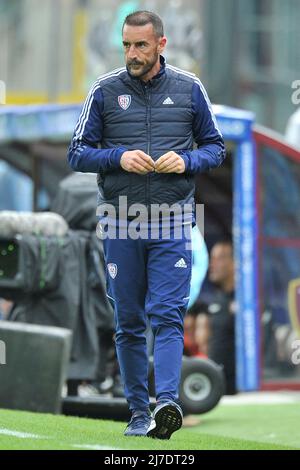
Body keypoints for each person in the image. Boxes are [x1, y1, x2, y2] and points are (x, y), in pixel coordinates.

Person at [68, 10, 225, 439]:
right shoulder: (103, 91)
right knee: (130, 322)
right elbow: (77, 152)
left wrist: (187, 159)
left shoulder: (190, 89)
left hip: (173, 221)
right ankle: (139, 413)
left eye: (140, 45)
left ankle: (167, 404)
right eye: (126, 45)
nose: (131, 54)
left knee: (168, 316)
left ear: (161, 44)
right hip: (121, 221)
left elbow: (216, 147)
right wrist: (116, 156)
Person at [195, 240, 236, 394]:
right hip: (216, 387)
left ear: (234, 263)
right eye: (211, 258)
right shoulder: (214, 300)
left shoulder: (250, 302)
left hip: (242, 389)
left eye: (219, 258)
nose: (212, 264)